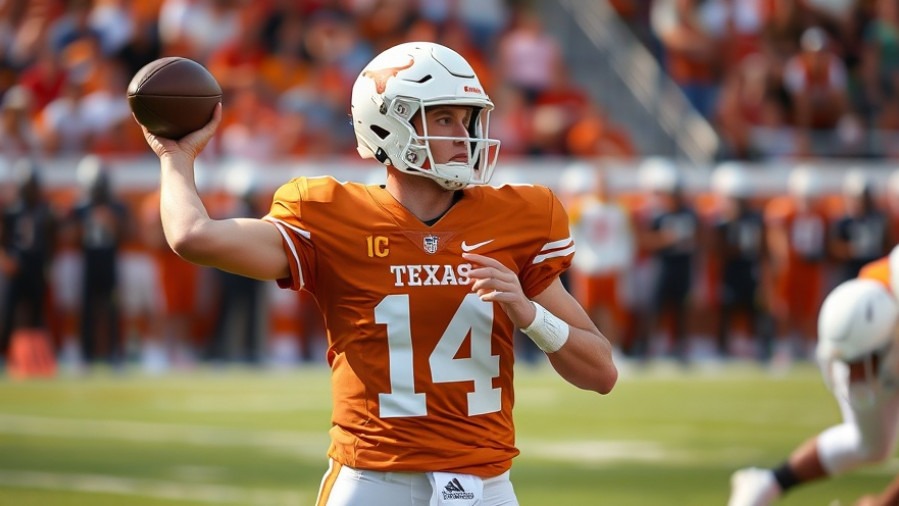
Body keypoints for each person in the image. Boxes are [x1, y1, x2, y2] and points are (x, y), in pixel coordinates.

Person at [135, 41, 618, 505]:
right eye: (444, 117)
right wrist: (175, 159)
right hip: (373, 482)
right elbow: (192, 236)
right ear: (390, 124)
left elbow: (601, 372)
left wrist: (530, 313)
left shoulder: (517, 217)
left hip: (485, 485)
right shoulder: (331, 214)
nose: (464, 135)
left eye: (467, 119)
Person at [727, 249, 899, 506]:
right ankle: (767, 482)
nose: (855, 377)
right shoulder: (871, 296)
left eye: (859, 365)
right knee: (870, 445)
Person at [0, 158, 58, 361]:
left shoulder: (46, 210)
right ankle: (5, 354)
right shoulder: (10, 211)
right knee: (7, 312)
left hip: (36, 267)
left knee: (37, 314)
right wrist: (5, 259)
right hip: (15, 266)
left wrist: (49, 265)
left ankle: (34, 359)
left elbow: (51, 241)